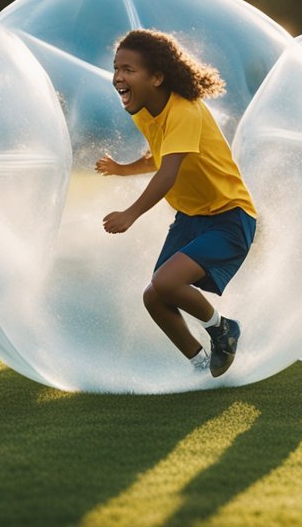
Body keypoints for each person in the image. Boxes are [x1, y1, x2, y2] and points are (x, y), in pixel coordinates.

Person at [95, 29, 256, 378]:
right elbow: (161, 156)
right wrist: (123, 170)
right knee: (154, 297)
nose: (118, 77)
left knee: (167, 283)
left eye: (128, 69)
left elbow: (168, 173)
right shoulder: (143, 111)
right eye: (116, 68)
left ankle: (223, 330)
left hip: (229, 217)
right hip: (192, 218)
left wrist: (131, 214)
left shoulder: (184, 110)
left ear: (157, 77)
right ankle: (200, 368)